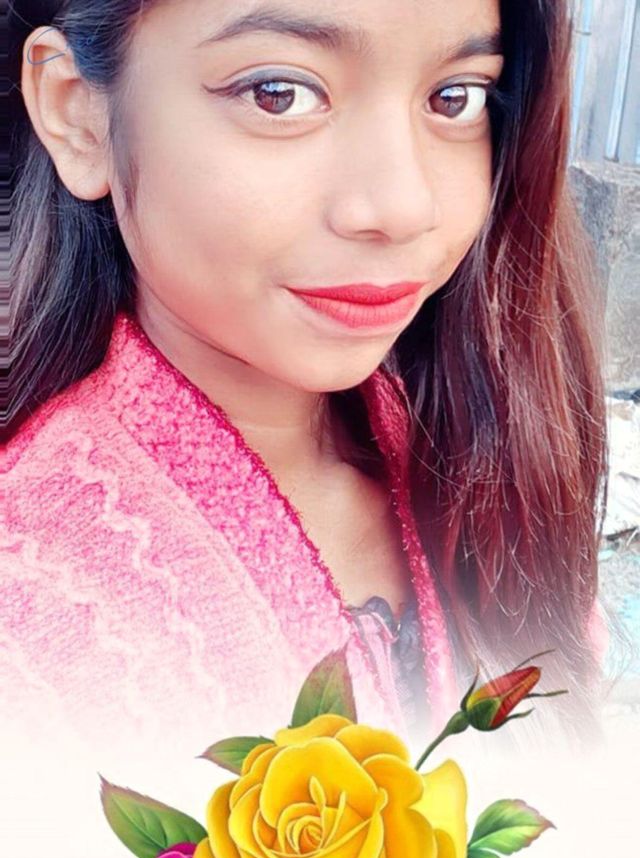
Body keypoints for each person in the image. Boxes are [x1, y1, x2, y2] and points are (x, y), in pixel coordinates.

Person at [3, 0, 611, 771]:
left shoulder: (486, 446)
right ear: (78, 115)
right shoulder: (33, 609)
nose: (402, 207)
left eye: (454, 98)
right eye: (279, 94)